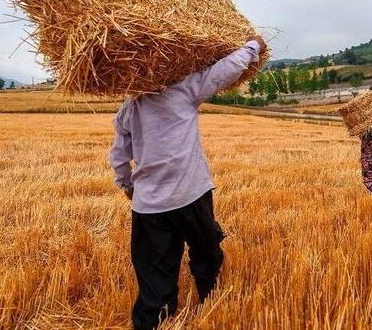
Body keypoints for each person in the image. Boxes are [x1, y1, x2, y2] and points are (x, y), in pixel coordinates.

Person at [109, 36, 266, 330]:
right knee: (206, 252)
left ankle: (154, 322)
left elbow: (119, 155)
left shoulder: (129, 108)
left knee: (155, 270)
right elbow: (224, 70)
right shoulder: (184, 90)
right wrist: (252, 47)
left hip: (149, 205)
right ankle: (212, 303)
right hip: (191, 195)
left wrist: (127, 184)